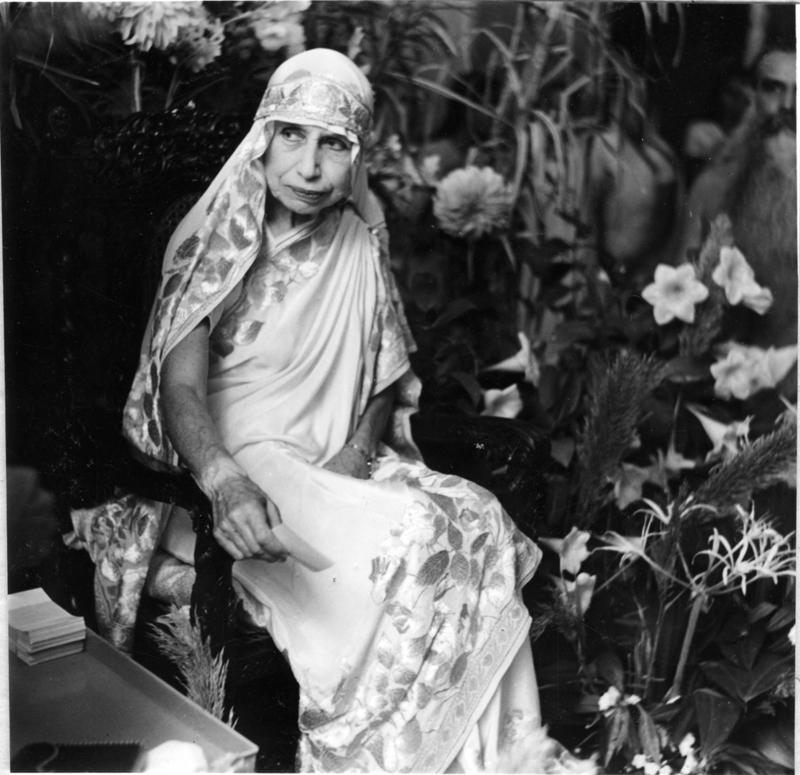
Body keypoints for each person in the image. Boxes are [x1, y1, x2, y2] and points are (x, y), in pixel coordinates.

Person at [69, 49, 594, 773]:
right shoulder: (218, 239)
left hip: (336, 461)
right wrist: (222, 479)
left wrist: (355, 452)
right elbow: (178, 389)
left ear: (357, 158)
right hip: (247, 463)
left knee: (478, 516)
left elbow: (382, 375)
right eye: (293, 135)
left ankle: (496, 760)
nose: (310, 167)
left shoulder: (357, 239)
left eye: (334, 144)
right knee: (413, 539)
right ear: (265, 136)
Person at [677, 45, 796, 348]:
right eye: (774, 88)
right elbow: (679, 293)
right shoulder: (712, 187)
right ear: (753, 97)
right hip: (724, 364)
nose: (788, 105)